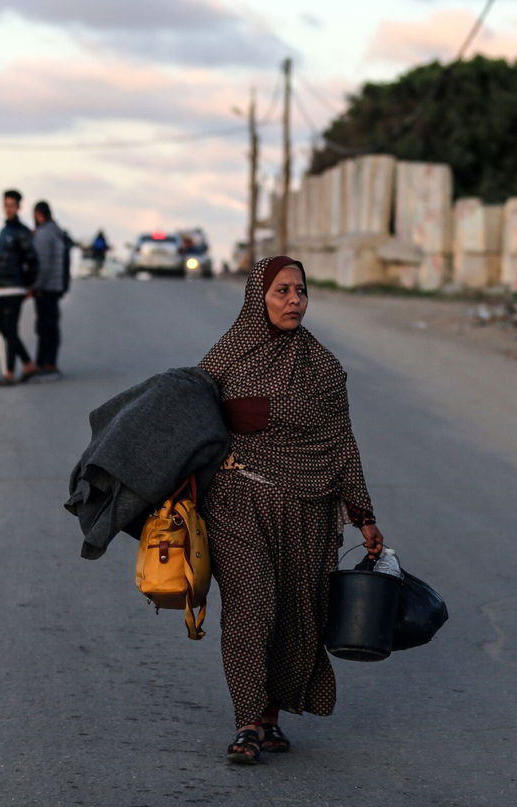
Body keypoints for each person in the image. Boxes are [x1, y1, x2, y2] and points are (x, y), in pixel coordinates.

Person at [197, 255, 384, 765]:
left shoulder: (322, 367)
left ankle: (272, 717)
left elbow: (342, 443)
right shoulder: (228, 356)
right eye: (281, 291)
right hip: (236, 499)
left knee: (295, 614)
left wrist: (362, 515)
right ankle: (247, 722)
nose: (293, 301)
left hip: (306, 508)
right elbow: (190, 414)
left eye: (300, 291)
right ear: (258, 295)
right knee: (251, 607)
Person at [0, 189, 40, 387]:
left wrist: (28, 284)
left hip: (15, 288)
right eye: (6, 205)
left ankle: (10, 372)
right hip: (0, 289)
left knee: (9, 329)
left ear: (18, 207)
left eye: (12, 205)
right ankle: (27, 364)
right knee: (4, 329)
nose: (8, 209)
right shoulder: (3, 232)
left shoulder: (22, 232)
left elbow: (33, 261)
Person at [31, 200, 68, 380]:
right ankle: (50, 363)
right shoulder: (57, 232)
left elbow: (43, 264)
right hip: (56, 287)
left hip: (45, 288)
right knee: (52, 326)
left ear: (38, 214)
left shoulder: (44, 234)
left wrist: (36, 286)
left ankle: (43, 364)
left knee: (44, 327)